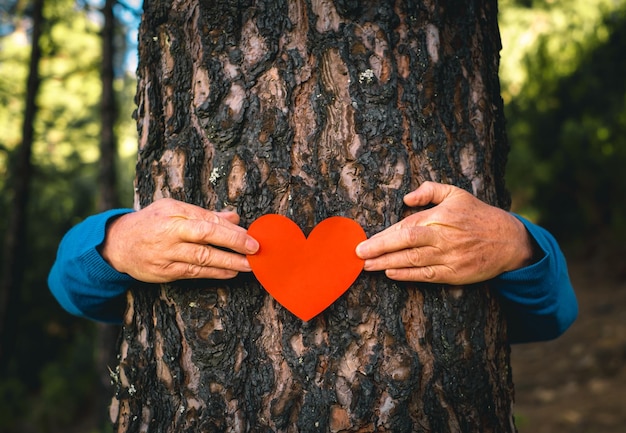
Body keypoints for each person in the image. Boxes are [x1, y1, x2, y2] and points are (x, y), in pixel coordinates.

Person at [48, 181, 577, 343]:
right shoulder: (145, 251)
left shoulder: (494, 242)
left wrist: (517, 243)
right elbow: (70, 287)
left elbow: (553, 315)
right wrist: (114, 241)